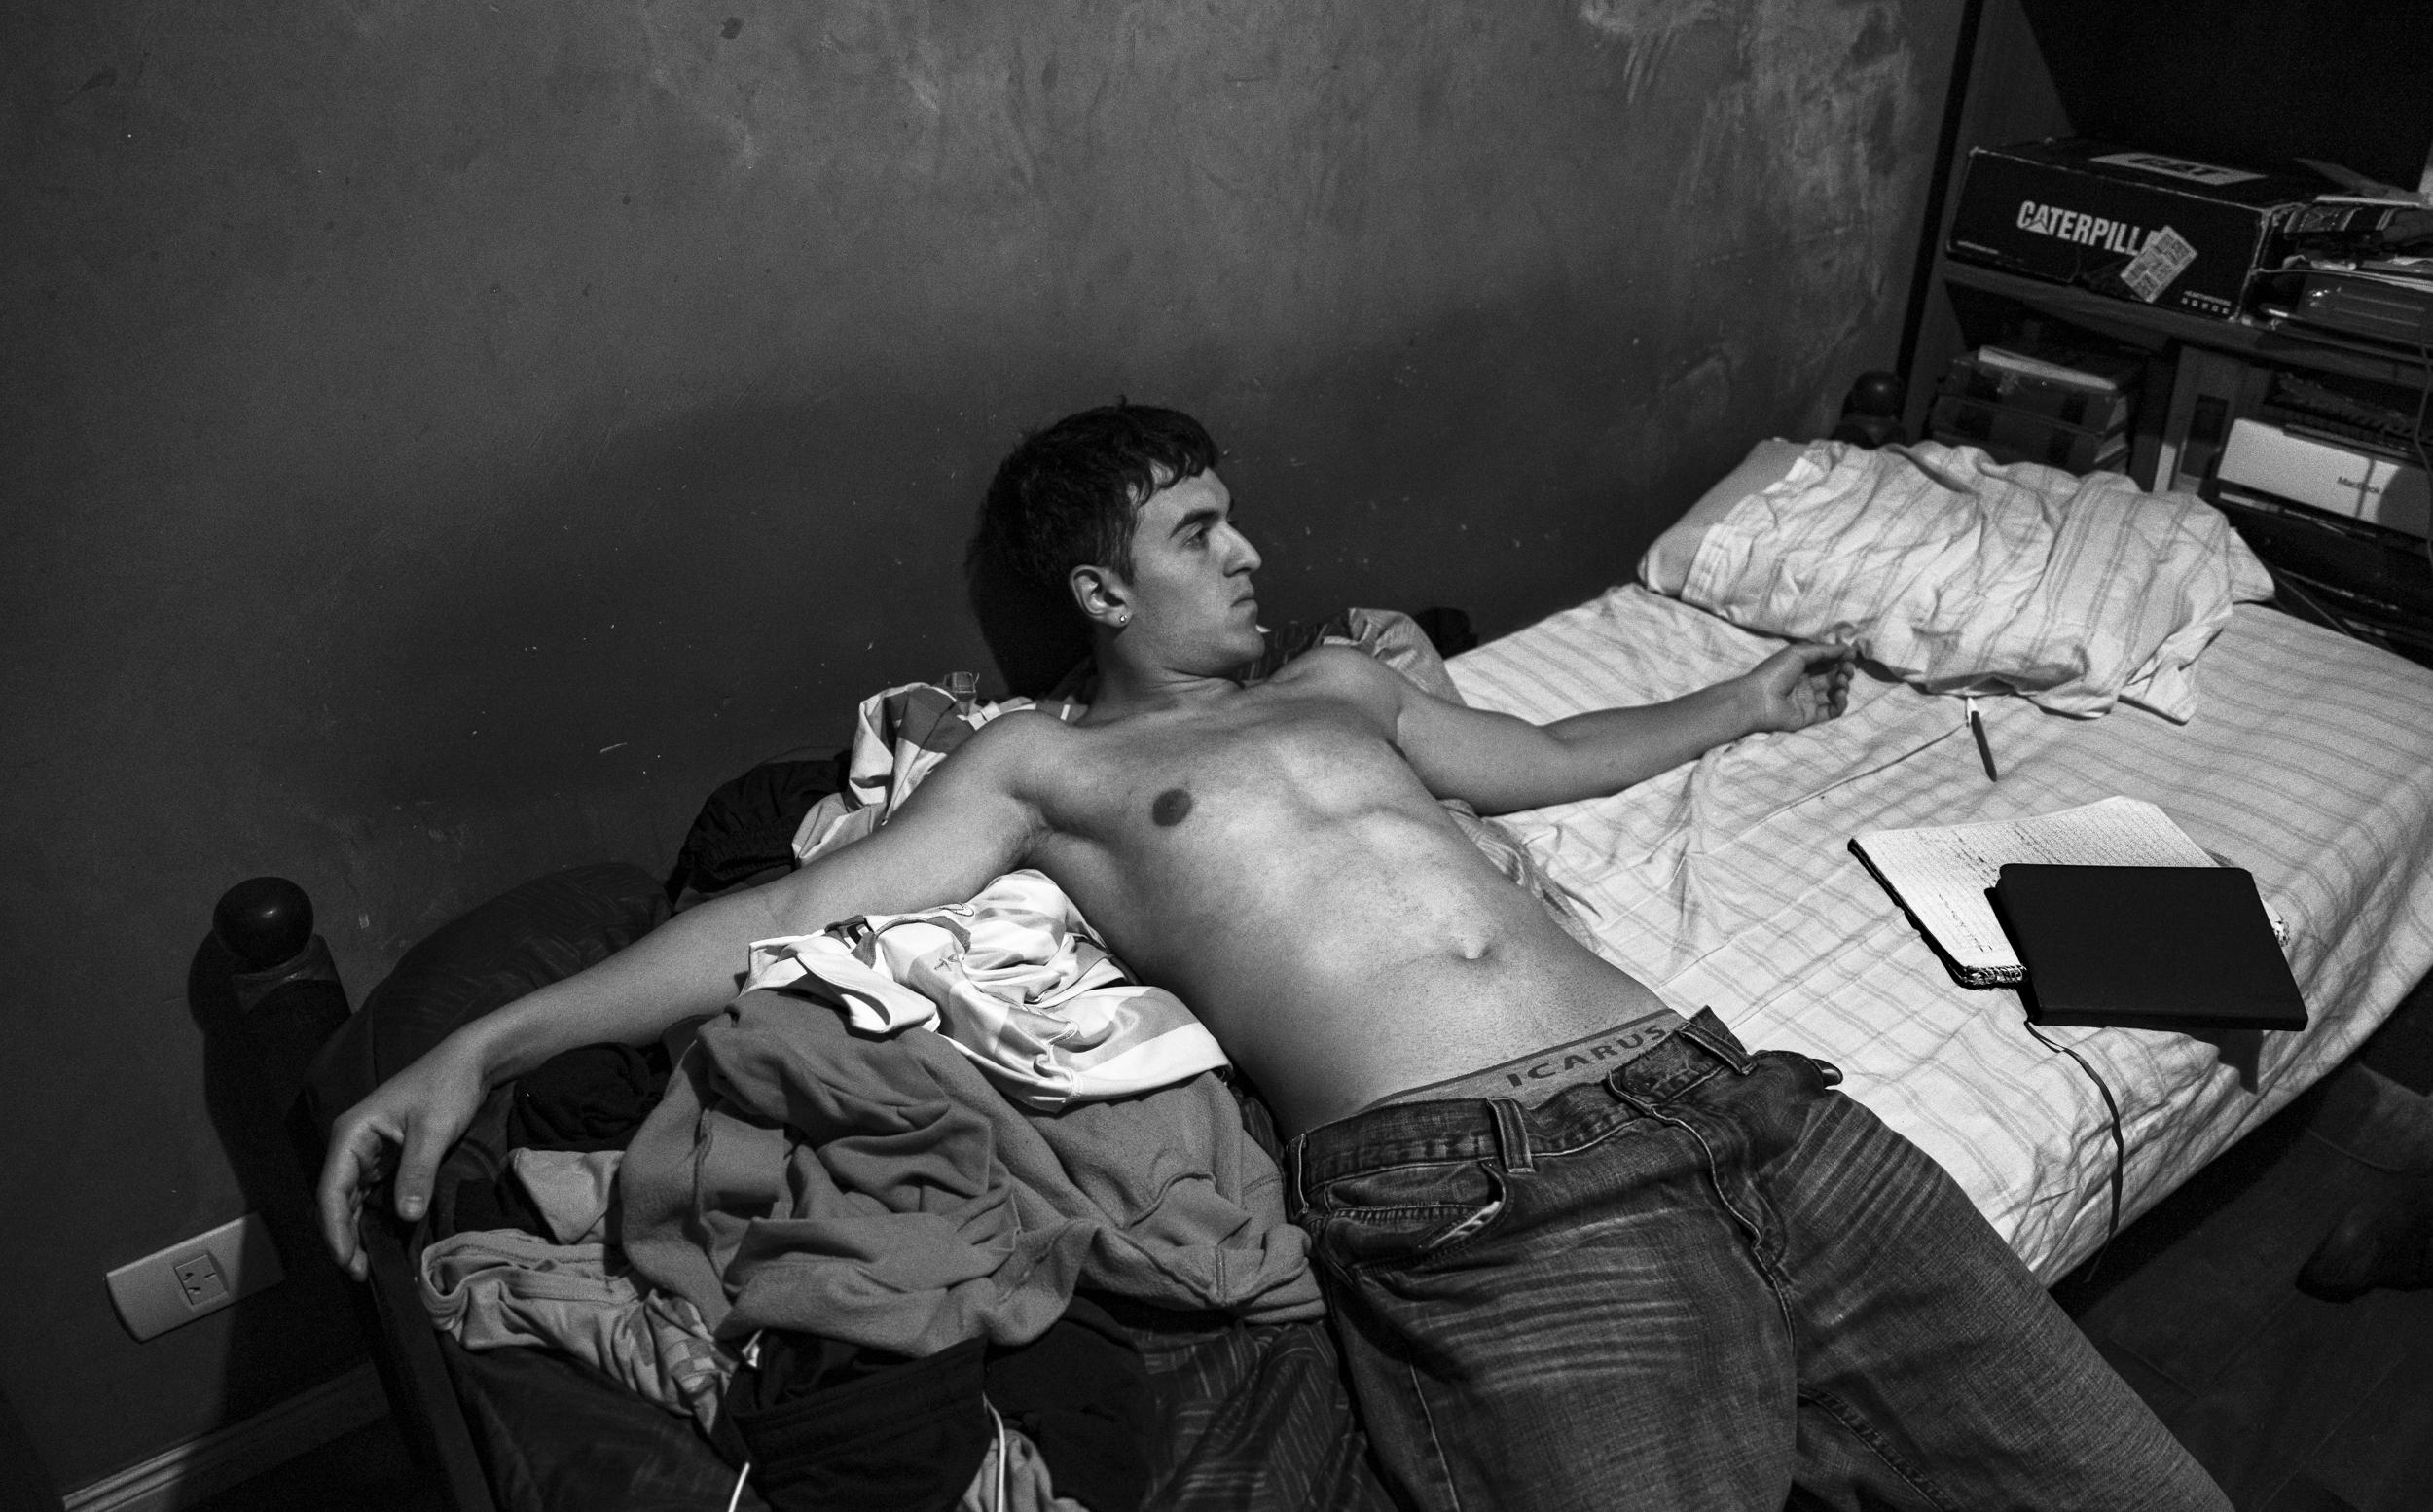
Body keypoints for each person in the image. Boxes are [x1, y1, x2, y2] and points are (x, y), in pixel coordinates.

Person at [320, 404, 2229, 1510]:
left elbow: (1558, 755)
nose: (1250, 554)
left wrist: (1740, 699)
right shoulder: (1043, 768)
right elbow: (780, 919)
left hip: (1746, 1107)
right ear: (1100, 590)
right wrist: (484, 1049)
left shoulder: (1343, 690)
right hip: (1501, 1190)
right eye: (1199, 530)